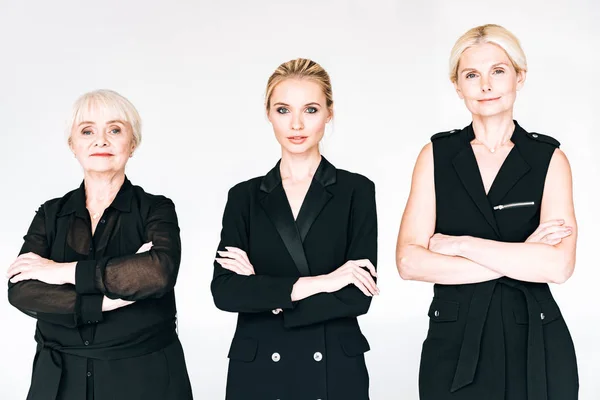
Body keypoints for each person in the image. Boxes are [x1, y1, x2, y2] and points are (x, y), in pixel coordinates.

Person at [396, 24, 579, 400]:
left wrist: (460, 244)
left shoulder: (549, 159)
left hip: (534, 338)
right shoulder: (436, 156)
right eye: (471, 75)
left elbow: (558, 267)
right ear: (457, 86)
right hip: (454, 341)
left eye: (498, 71)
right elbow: (409, 262)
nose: (486, 85)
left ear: (519, 76)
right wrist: (522, 254)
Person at [7, 89, 193, 400]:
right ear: (73, 145)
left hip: (144, 379)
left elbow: (158, 273)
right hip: (58, 382)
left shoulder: (156, 209)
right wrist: (110, 300)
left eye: (115, 130)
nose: (101, 140)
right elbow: (21, 289)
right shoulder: (50, 213)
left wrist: (60, 271)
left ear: (132, 144)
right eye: (87, 130)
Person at [211, 58, 378, 400]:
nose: (297, 124)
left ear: (330, 113)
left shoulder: (356, 191)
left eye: (311, 109)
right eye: (284, 110)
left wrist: (267, 293)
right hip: (258, 367)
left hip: (333, 365)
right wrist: (325, 282)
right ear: (269, 114)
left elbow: (358, 295)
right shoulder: (244, 196)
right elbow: (225, 291)